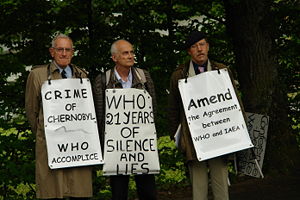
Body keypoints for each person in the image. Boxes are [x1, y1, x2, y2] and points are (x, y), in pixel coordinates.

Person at [168, 31, 238, 200]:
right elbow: (172, 108)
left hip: (220, 136)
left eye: (202, 44)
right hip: (194, 139)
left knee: (221, 184)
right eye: (194, 46)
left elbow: (235, 103)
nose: (199, 49)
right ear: (188, 51)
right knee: (198, 188)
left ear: (208, 47)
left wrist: (237, 131)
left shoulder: (221, 71)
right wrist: (176, 137)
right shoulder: (179, 75)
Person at [25, 33, 92, 200]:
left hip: (77, 144)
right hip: (50, 144)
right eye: (60, 49)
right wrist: (44, 133)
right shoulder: (37, 75)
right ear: (52, 52)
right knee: (52, 191)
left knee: (78, 190)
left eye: (68, 50)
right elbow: (32, 111)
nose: (64, 53)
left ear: (73, 52)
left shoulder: (82, 76)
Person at [93, 39, 157, 200]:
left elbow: (152, 110)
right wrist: (104, 146)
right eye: (125, 53)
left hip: (142, 147)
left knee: (148, 192)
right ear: (114, 58)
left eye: (132, 52)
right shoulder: (103, 81)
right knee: (119, 193)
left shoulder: (144, 77)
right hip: (116, 149)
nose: (130, 56)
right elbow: (99, 117)